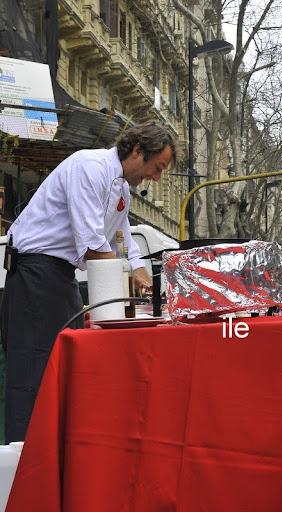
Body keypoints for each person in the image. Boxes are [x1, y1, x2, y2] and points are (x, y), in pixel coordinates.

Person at [0, 122, 177, 443]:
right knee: (34, 372)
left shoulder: (121, 187)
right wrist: (125, 284)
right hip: (33, 273)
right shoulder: (89, 167)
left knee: (74, 363)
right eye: (158, 167)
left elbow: (122, 236)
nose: (156, 177)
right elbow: (94, 244)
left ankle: (64, 447)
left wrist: (139, 268)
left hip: (61, 275)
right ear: (138, 152)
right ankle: (23, 460)